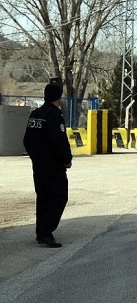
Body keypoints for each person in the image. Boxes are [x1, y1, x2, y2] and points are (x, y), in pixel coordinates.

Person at [23, 83, 73, 247]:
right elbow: (59, 141)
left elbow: (27, 140)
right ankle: (46, 231)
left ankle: (41, 232)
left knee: (43, 197)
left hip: (38, 164)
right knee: (59, 196)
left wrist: (35, 157)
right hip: (53, 165)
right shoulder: (54, 115)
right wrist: (67, 159)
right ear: (59, 97)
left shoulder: (35, 114)